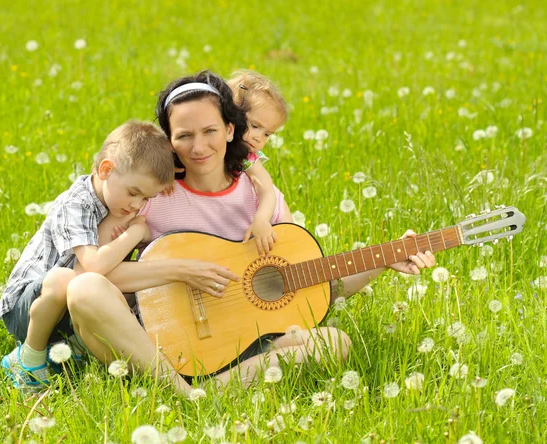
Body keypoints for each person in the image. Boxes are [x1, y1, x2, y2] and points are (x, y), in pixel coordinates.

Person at [70, 71, 436, 395]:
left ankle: (208, 390)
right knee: (84, 290)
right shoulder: (151, 192)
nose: (198, 147)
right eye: (184, 135)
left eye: (210, 131)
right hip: (159, 340)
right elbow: (92, 272)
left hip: (243, 340)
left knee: (334, 343)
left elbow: (308, 284)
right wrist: (184, 270)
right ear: (169, 140)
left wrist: (384, 260)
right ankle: (179, 389)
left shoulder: (262, 197)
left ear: (231, 130)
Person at [0, 120, 174, 390]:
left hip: (67, 309)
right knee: (64, 279)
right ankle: (29, 360)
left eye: (145, 199)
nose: (137, 205)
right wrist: (135, 233)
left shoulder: (117, 204)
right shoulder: (76, 203)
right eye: (133, 193)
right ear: (106, 170)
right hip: (27, 308)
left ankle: (68, 353)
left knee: (124, 292)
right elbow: (92, 266)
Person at [228, 70, 288, 256]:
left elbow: (266, 189)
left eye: (267, 134)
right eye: (254, 126)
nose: (258, 138)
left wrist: (262, 219)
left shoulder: (247, 158)